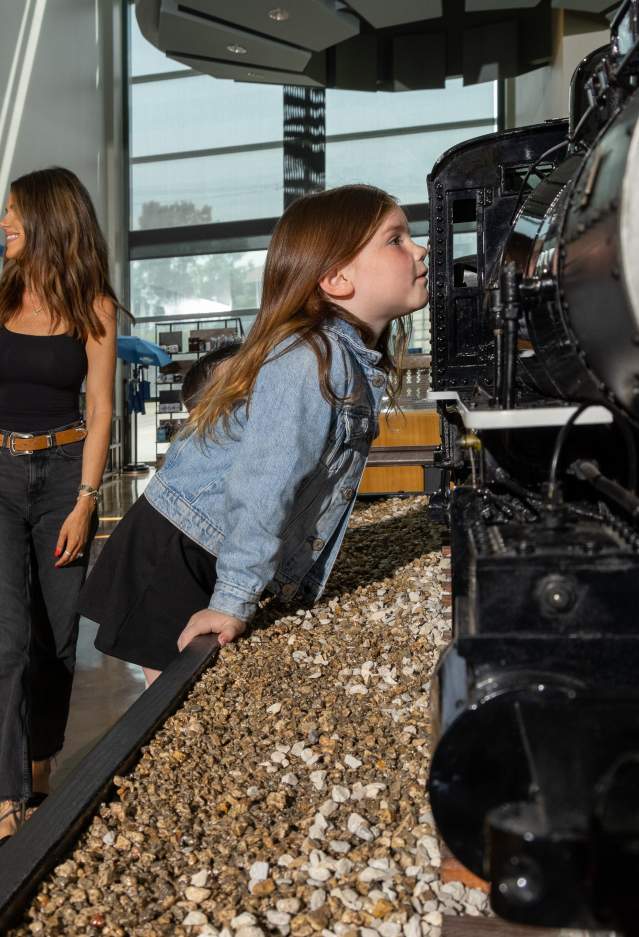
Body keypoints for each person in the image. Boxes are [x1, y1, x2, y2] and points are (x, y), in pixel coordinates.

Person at [79, 184, 428, 689]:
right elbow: (264, 481)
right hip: (182, 548)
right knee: (183, 706)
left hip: (213, 543)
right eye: (395, 239)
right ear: (335, 278)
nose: (419, 249)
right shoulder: (311, 359)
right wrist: (232, 599)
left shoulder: (343, 357)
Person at [0, 167, 117, 843]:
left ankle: (41, 757)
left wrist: (84, 500)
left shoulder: (93, 306)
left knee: (58, 637)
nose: (4, 222)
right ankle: (9, 790)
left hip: (65, 474)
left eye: (13, 211)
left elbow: (100, 409)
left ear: (48, 220)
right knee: (8, 639)